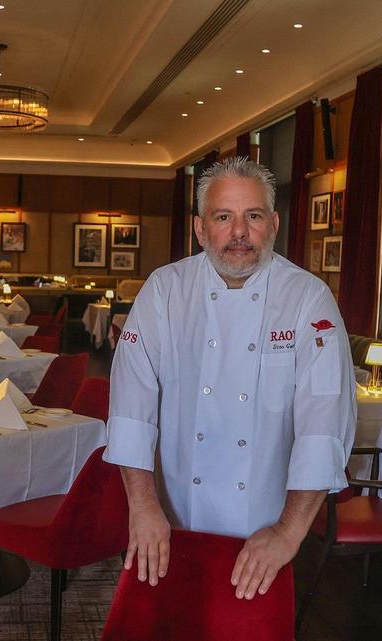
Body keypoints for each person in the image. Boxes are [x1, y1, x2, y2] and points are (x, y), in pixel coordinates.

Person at [104, 157, 355, 601]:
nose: (239, 231)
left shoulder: (307, 298)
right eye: (223, 217)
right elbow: (131, 406)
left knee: (249, 625)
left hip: (264, 530)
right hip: (171, 520)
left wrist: (288, 532)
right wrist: (142, 507)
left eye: (253, 216)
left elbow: (324, 425)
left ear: (273, 224)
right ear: (200, 229)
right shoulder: (165, 290)